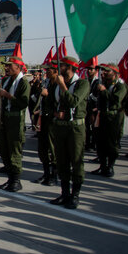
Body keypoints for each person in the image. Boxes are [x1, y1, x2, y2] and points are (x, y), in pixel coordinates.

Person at [49, 56, 90, 209]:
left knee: (76, 160)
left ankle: (75, 195)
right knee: (62, 160)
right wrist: (55, 112)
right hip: (60, 126)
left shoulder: (82, 83)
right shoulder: (57, 83)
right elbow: (51, 103)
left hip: (75, 128)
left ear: (70, 67)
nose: (58, 69)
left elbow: (73, 101)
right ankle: (64, 193)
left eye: (62, 66)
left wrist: (63, 86)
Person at [0, 56, 30, 192]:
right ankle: (9, 178)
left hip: (16, 119)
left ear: (18, 67)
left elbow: (23, 103)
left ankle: (16, 180)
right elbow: (0, 101)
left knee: (14, 150)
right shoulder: (7, 80)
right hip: (5, 118)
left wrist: (8, 95)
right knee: (4, 149)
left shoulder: (23, 82)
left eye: (10, 65)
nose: (6, 68)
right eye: (6, 65)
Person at [89, 64, 127, 177]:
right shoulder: (101, 83)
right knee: (100, 142)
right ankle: (102, 165)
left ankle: (110, 166)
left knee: (111, 143)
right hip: (101, 115)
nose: (103, 73)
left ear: (114, 73)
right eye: (103, 71)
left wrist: (104, 91)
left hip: (113, 117)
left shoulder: (120, 86)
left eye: (107, 71)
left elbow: (116, 100)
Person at [33, 62, 58, 186]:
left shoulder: (59, 84)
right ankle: (46, 173)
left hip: (53, 120)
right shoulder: (47, 82)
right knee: (42, 148)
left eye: (49, 70)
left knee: (52, 148)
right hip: (44, 118)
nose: (46, 72)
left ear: (55, 71)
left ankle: (54, 174)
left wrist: (47, 95)